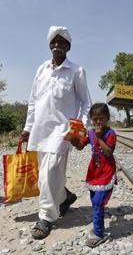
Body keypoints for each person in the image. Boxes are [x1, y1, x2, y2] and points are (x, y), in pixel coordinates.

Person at [20, 26, 92, 239]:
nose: (57, 45)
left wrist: (78, 130)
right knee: (48, 174)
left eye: (62, 42)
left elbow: (86, 103)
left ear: (68, 46)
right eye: (54, 42)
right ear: (50, 44)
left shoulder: (76, 71)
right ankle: (65, 197)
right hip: (40, 130)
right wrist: (27, 128)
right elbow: (33, 101)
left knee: (49, 172)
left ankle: (46, 217)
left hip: (62, 132)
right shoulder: (41, 69)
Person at [70, 103, 117, 247]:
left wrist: (99, 138)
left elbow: (109, 153)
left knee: (97, 202)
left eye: (101, 118)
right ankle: (99, 227)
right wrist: (73, 140)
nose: (98, 122)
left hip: (106, 172)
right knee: (95, 202)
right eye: (95, 119)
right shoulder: (90, 133)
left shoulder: (111, 134)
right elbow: (80, 146)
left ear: (107, 118)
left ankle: (98, 233)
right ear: (91, 119)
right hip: (94, 172)